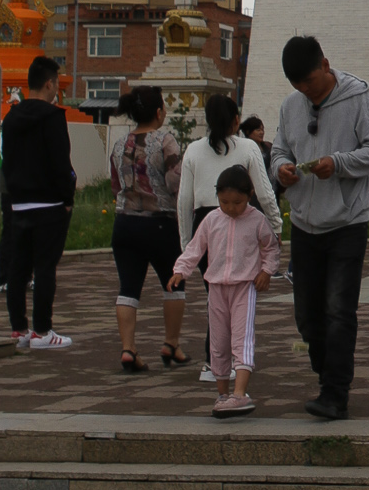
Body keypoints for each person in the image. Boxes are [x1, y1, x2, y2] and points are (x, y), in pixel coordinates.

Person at [270, 35, 369, 421]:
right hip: (305, 223)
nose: (306, 91)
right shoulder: (291, 106)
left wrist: (337, 163)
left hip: (347, 222)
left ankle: (335, 392)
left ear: (325, 65)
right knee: (307, 315)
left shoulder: (358, 98)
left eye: (310, 82)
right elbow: (278, 150)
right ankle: (328, 375)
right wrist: (282, 170)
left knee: (339, 309)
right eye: (298, 86)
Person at [180, 93, 282, 381]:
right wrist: (276, 227)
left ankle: (215, 363)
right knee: (236, 298)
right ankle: (228, 362)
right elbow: (264, 191)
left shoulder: (193, 150)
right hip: (242, 220)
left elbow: (184, 201)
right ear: (236, 121)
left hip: (206, 224)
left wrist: (186, 244)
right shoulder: (248, 147)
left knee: (216, 295)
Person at [170, 163, 280, 417]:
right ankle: (222, 394)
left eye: (237, 202)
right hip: (216, 288)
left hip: (244, 287)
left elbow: (271, 248)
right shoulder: (211, 220)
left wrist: (266, 271)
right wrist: (181, 270)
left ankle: (239, 393)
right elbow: (195, 248)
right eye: (224, 202)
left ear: (249, 196)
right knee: (218, 341)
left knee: (242, 338)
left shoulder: (257, 220)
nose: (231, 208)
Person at [108, 85, 185, 372]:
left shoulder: (119, 144)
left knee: (128, 287)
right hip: (160, 224)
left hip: (125, 222)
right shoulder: (166, 141)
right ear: (158, 112)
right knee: (173, 284)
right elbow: (175, 183)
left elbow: (115, 185)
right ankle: (171, 343)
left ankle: (128, 348)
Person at [0, 57, 76, 347]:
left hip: (18, 203)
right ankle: (43, 331)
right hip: (49, 205)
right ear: (49, 83)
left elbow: (7, 160)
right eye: (56, 83)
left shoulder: (11, 118)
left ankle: (19, 329)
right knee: (45, 268)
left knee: (18, 268)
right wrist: (67, 197)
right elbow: (61, 163)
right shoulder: (53, 117)